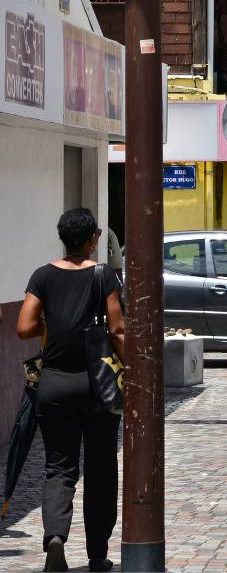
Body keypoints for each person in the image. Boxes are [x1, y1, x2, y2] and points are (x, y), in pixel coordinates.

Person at [17, 208, 124, 573]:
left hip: (55, 386)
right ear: (93, 238)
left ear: (63, 238)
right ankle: (97, 554)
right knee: (101, 469)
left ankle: (56, 539)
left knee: (58, 467)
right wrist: (135, 369)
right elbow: (117, 329)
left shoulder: (43, 276)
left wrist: (50, 327)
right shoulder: (102, 274)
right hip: (99, 387)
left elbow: (24, 326)